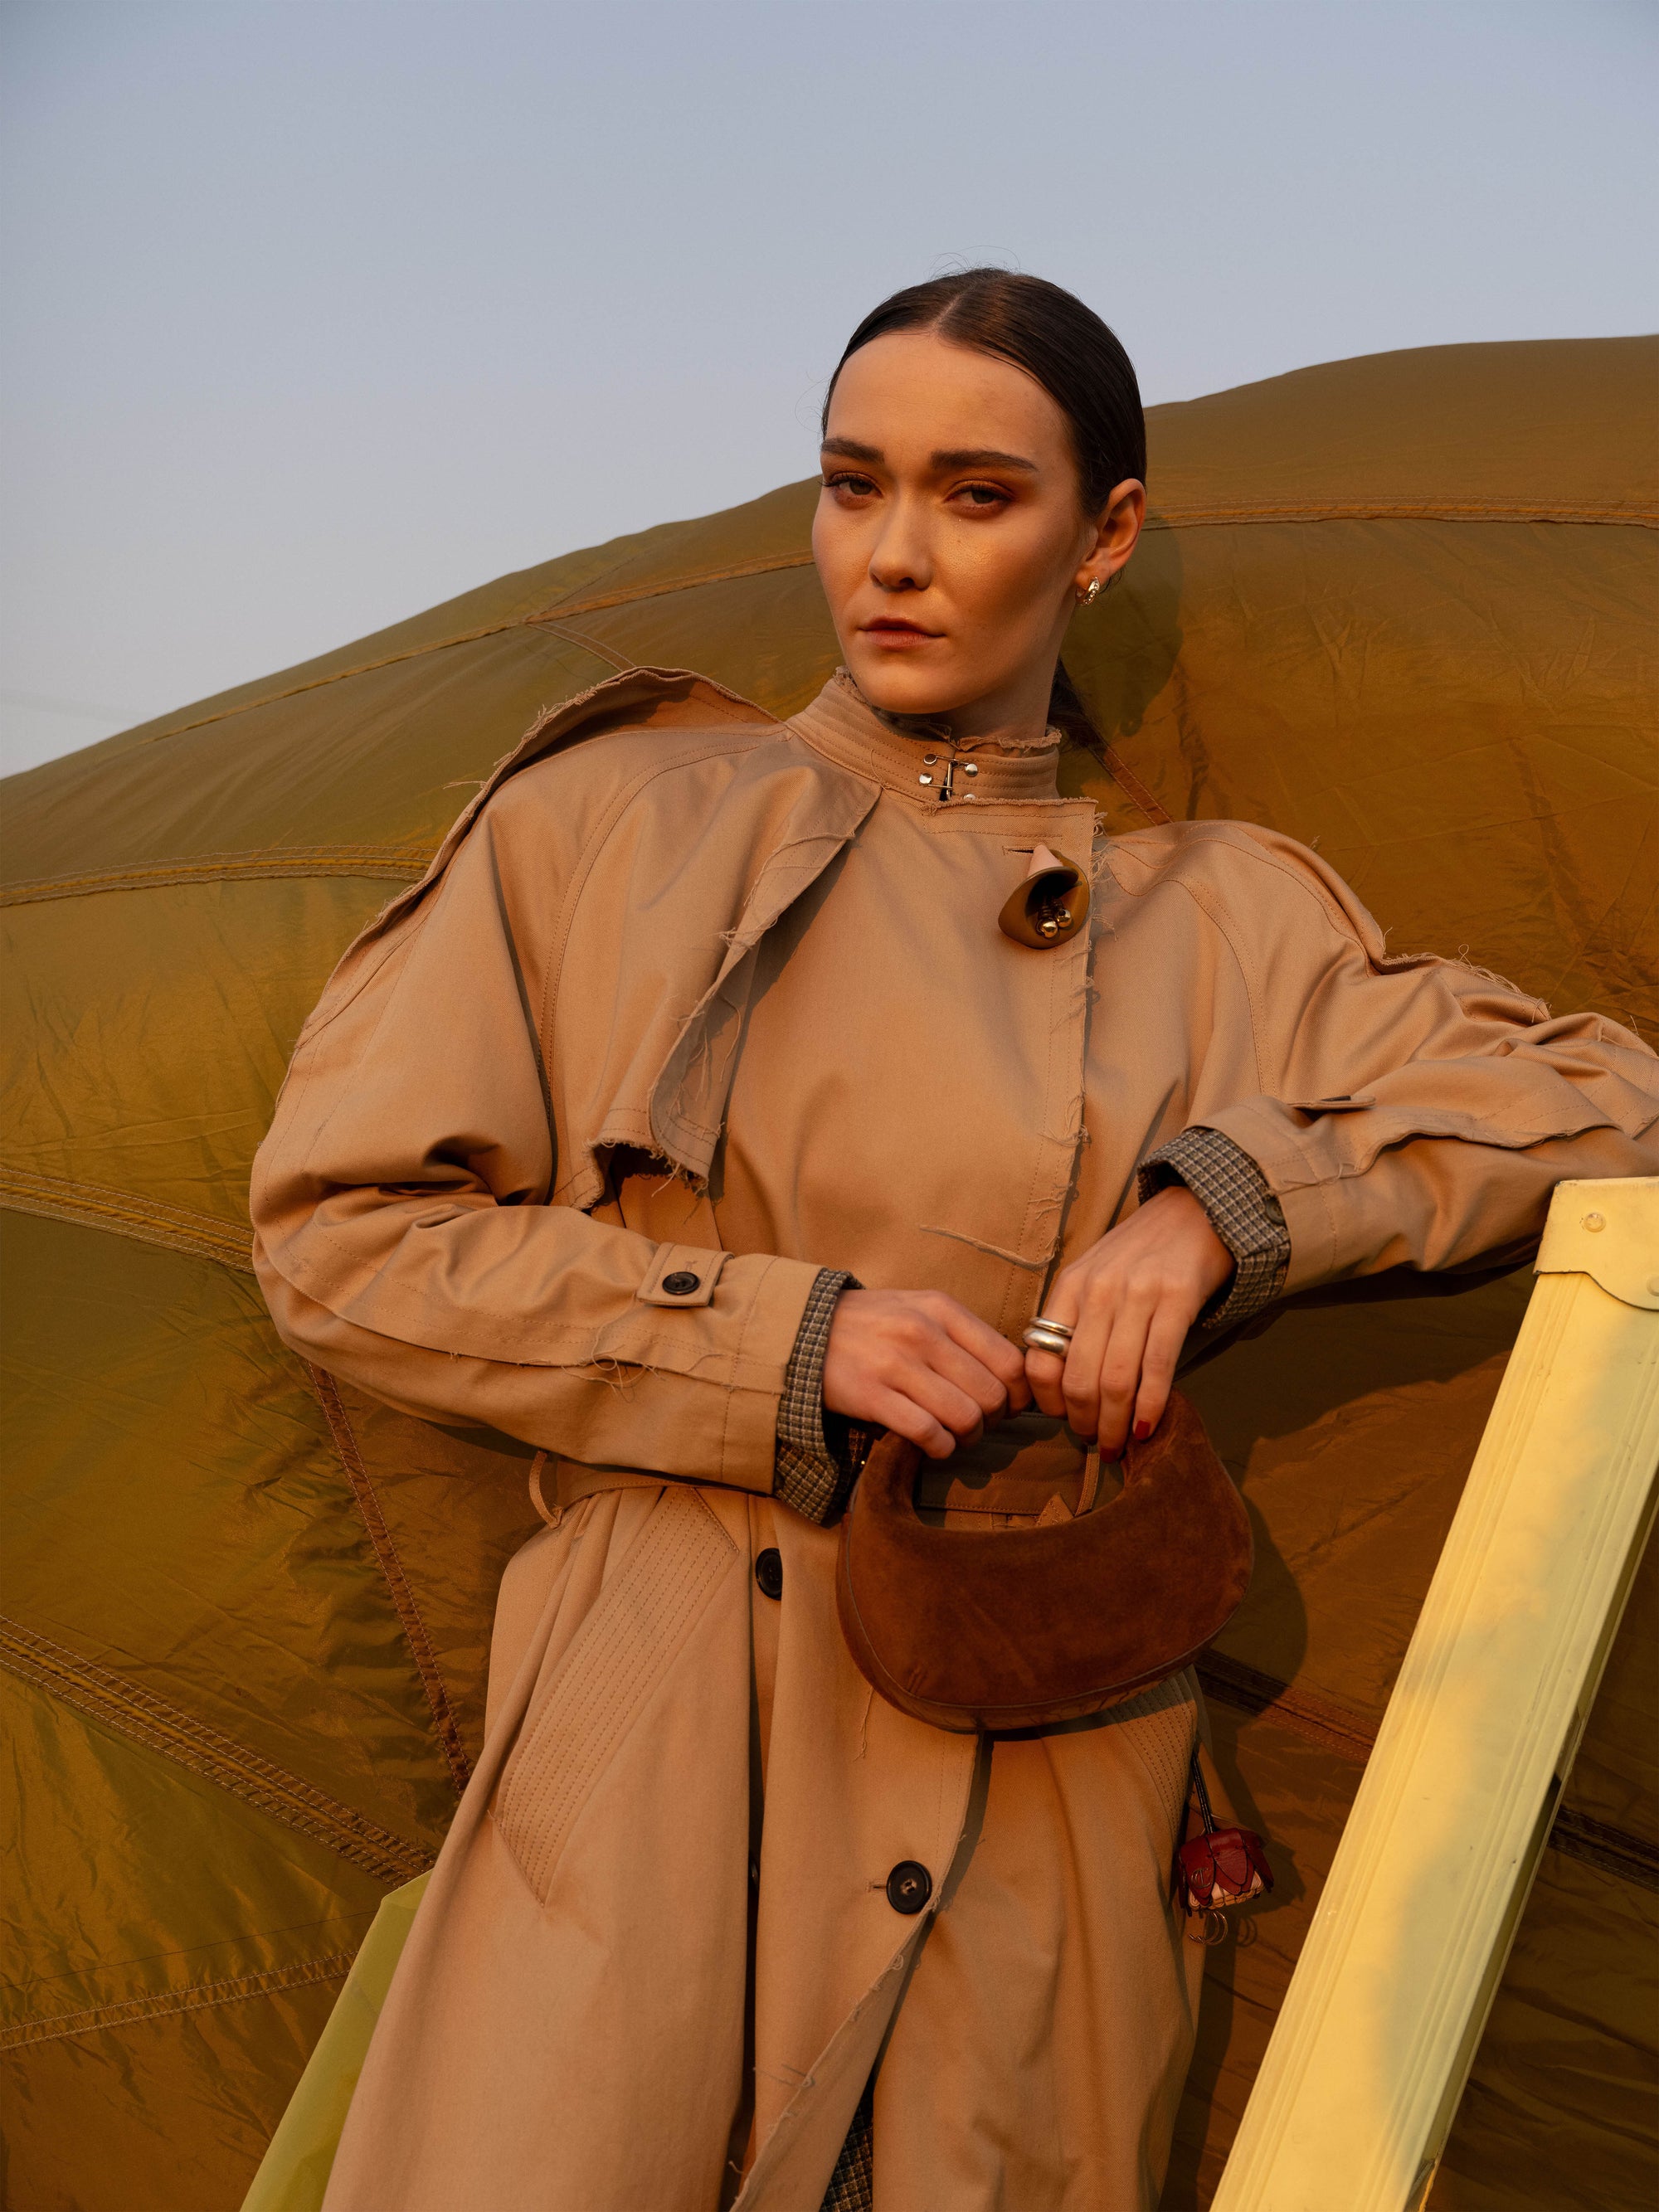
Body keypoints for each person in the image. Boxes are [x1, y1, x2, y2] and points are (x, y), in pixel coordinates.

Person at [250, 270, 1659, 2212]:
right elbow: (343, 1235)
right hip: (664, 1739)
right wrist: (777, 1340)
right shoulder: (611, 820)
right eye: (852, 483)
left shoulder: (1221, 916)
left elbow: (1603, 1099)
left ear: (1106, 537)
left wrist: (1221, 1207)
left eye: (976, 496)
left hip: (1048, 1763)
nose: (891, 554)